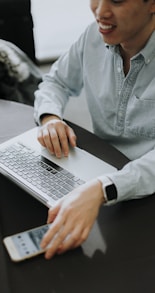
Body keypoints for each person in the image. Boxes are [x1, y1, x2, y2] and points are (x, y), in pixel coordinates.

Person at [34, 0, 155, 260]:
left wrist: (102, 189)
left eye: (117, 1)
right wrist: (51, 118)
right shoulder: (93, 36)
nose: (100, 11)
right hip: (100, 174)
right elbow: (55, 82)